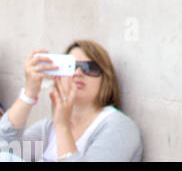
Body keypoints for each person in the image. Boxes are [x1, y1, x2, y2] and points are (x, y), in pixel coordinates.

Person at [0, 42, 142, 162]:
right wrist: (29, 93)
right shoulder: (48, 128)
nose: (78, 73)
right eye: (72, 66)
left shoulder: (119, 126)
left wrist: (63, 126)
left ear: (106, 79)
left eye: (90, 68)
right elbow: (5, 148)